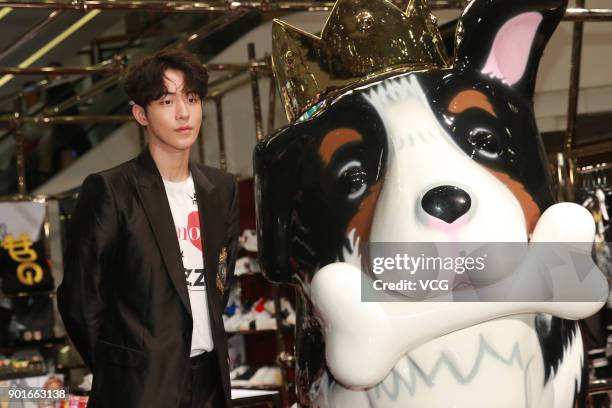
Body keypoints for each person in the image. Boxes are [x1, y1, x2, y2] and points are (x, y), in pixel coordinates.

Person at [57, 48, 239, 408]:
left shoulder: (221, 188)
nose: (184, 113)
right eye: (167, 101)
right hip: (138, 388)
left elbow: (222, 277)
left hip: (209, 380)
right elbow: (80, 300)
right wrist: (121, 367)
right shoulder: (111, 189)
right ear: (141, 114)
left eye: (191, 98)